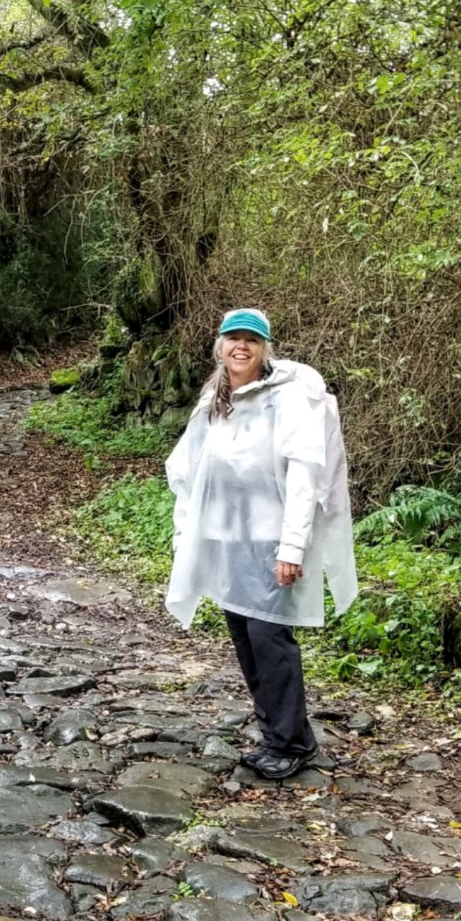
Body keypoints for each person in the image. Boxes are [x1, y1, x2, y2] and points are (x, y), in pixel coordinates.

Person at [164, 307, 358, 780]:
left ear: (265, 348)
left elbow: (303, 476)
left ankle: (290, 743)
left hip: (272, 541)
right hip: (229, 538)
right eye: (233, 338)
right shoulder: (216, 399)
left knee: (270, 638)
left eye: (252, 340)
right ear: (220, 345)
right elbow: (191, 473)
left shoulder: (285, 400)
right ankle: (281, 732)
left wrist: (292, 548)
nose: (241, 347)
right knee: (244, 637)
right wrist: (186, 535)